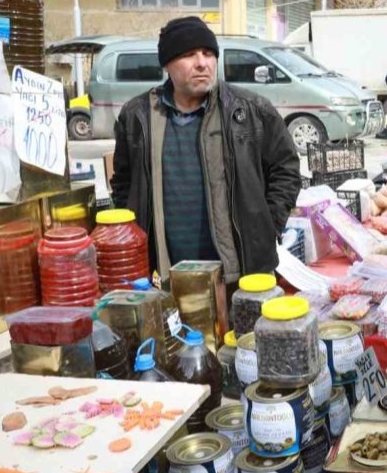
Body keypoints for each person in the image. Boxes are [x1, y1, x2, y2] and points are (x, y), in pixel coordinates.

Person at [111, 16, 301, 283]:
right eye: (188, 54)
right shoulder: (138, 116)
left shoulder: (250, 110)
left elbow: (287, 170)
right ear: (166, 64)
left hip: (240, 271)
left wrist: (266, 226)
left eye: (209, 53)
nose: (202, 63)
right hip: (166, 273)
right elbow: (123, 183)